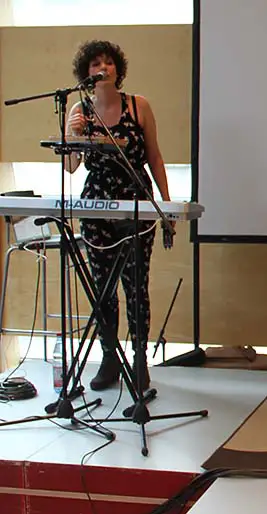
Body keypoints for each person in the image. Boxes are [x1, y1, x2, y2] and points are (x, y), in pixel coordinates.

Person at [64, 40, 172, 393]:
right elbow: (70, 166)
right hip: (96, 206)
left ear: (118, 69)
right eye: (96, 63)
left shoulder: (138, 106)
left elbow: (154, 157)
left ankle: (139, 359)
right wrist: (72, 134)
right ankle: (109, 357)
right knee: (102, 288)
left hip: (136, 201)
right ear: (86, 72)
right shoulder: (79, 110)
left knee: (136, 285)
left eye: (109, 62)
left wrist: (166, 204)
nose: (103, 68)